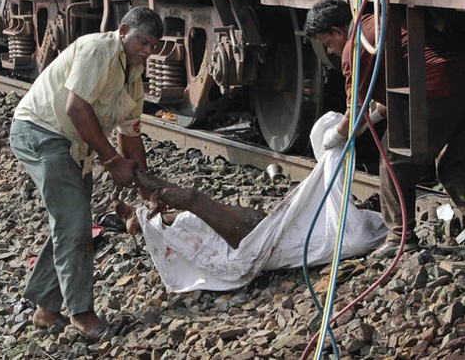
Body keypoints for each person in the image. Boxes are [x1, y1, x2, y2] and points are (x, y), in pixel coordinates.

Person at [303, 0, 465, 259]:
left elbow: (353, 111)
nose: (331, 51)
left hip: (434, 92)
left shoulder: (356, 45)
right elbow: (390, 91)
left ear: (338, 31)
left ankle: (398, 237)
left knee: (393, 162)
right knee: (454, 163)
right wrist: (369, 123)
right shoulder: (377, 24)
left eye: (328, 44)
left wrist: (333, 137)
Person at [9, 6, 163, 340]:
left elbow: (130, 134)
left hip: (74, 146)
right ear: (123, 31)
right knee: (74, 223)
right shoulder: (97, 49)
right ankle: (82, 315)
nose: (148, 51)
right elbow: (75, 108)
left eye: (153, 46)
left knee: (70, 222)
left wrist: (145, 185)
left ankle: (46, 310)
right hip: (41, 132)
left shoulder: (133, 74)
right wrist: (111, 161)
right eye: (143, 42)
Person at [112, 111, 387, 293]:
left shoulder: (355, 231)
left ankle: (146, 214)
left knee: (200, 209)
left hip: (257, 248)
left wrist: (361, 120)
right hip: (265, 236)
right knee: (202, 224)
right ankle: (144, 217)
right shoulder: (357, 226)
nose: (371, 201)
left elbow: (331, 155)